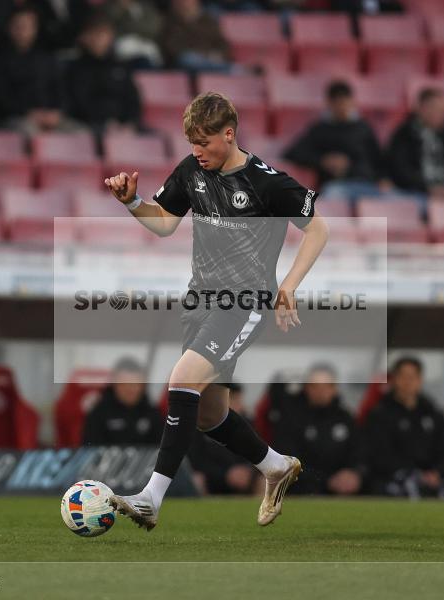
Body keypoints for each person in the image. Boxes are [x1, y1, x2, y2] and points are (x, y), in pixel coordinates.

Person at [103, 91, 329, 530]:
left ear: (229, 134)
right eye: (192, 142)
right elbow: (164, 223)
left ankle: (151, 498)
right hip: (200, 303)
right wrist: (131, 202)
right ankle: (276, 466)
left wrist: (288, 286)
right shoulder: (192, 170)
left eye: (204, 142)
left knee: (181, 379)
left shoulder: (268, 182)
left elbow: (317, 230)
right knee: (209, 415)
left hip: (245, 303)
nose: (197, 151)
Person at [283, 80, 390, 204]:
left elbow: (377, 159)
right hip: (336, 186)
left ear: (352, 101)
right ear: (329, 103)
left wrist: (383, 178)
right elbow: (293, 153)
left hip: (366, 184)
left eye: (345, 102)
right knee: (331, 196)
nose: (342, 107)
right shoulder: (320, 129)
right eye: (337, 103)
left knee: (394, 199)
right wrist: (324, 160)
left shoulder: (364, 128)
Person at [361, 357, 444, 496]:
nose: (408, 382)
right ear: (394, 380)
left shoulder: (434, 413)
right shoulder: (379, 415)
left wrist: (438, 472)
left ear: (420, 380)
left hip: (433, 478)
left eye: (412, 377)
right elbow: (380, 457)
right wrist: (416, 474)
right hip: (393, 478)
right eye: (403, 377)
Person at [273, 364, 363, 496]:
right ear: (306, 388)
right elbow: (287, 460)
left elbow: (359, 453)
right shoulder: (291, 419)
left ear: (335, 389)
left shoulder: (346, 419)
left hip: (343, 491)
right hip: (301, 490)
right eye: (315, 386)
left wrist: (354, 473)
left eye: (327, 386)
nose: (321, 392)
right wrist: (325, 481)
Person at [0, 6, 73, 137]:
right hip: (16, 118)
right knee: (33, 135)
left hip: (50, 117)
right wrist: (28, 112)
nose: (22, 30)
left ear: (35, 29)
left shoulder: (47, 58)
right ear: (9, 28)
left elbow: (60, 89)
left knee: (80, 133)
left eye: (27, 26)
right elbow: (0, 98)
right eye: (18, 26)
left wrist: (56, 112)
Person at [63, 14, 142, 136]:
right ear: (84, 37)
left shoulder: (121, 66)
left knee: (154, 137)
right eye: (94, 34)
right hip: (89, 126)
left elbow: (133, 100)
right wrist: (105, 122)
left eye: (102, 34)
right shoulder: (75, 69)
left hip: (122, 127)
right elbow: (78, 103)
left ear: (111, 37)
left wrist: (129, 123)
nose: (98, 39)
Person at [387, 87, 444, 199]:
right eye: (432, 108)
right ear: (419, 108)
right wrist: (428, 189)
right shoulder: (405, 134)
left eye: (441, 110)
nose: (436, 113)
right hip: (417, 192)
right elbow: (400, 171)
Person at [187, 382, 262, 495]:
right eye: (233, 399)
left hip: (245, 478)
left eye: (238, 400)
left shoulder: (248, 424)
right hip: (213, 480)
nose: (238, 405)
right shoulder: (201, 426)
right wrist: (226, 474)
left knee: (264, 481)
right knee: (197, 480)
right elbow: (195, 461)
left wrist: (247, 471)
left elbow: (259, 452)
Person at [82, 358, 163, 446]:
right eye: (124, 384)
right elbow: (89, 448)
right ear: (114, 384)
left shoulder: (152, 413)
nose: (130, 389)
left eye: (135, 384)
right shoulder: (99, 414)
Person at [160, 0, 232, 73]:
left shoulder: (209, 20)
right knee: (189, 58)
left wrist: (216, 54)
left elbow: (222, 44)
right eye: (181, 2)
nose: (185, 4)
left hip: (209, 58)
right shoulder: (169, 22)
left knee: (228, 66)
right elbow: (172, 48)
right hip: (184, 61)